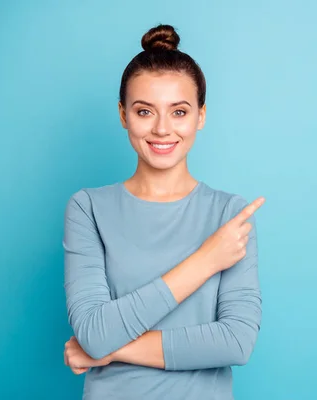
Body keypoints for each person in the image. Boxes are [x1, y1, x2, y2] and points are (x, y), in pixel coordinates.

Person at [62, 23, 265, 399]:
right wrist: (206, 260)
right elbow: (92, 332)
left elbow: (236, 341)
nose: (161, 129)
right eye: (144, 111)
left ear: (200, 117)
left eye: (179, 112)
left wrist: (110, 350)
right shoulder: (88, 208)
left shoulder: (230, 214)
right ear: (123, 115)